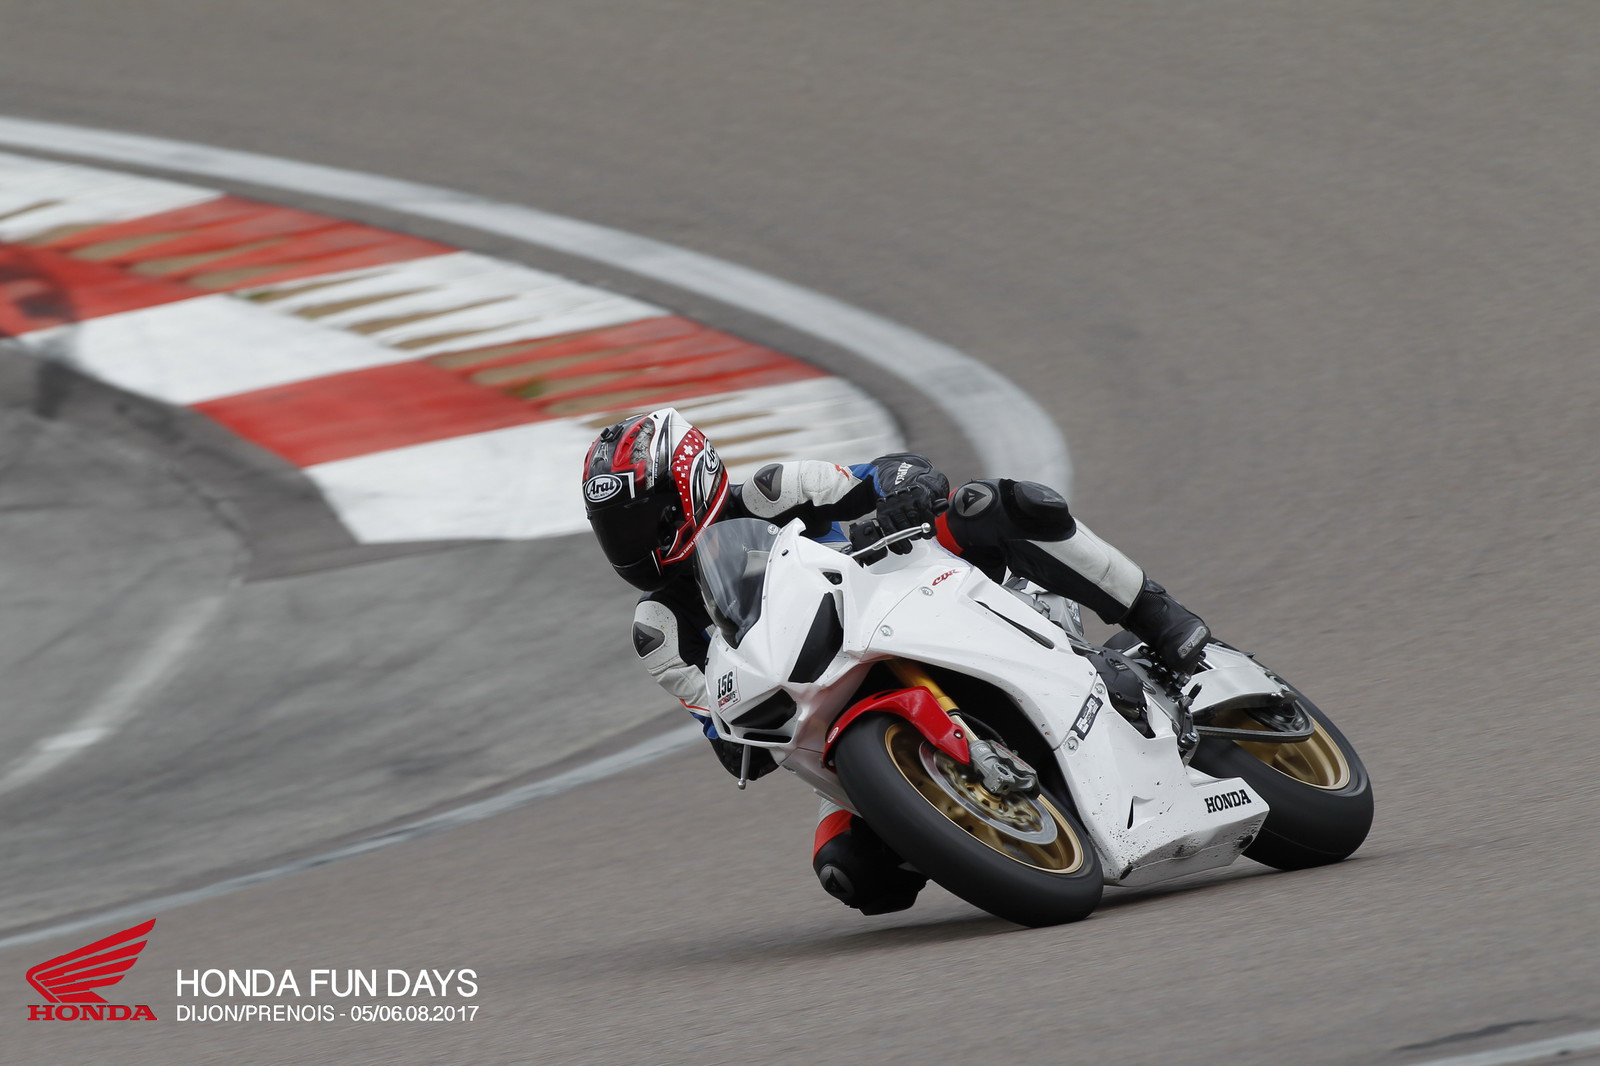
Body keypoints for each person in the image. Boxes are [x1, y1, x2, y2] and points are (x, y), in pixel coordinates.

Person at [582, 407, 1210, 915]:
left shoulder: (774, 492)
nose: (630, 545)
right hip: (831, 704)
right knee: (852, 872)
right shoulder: (659, 629)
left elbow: (893, 473)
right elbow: (725, 734)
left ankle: (1156, 614)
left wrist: (905, 491)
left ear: (689, 488)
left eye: (641, 521)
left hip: (909, 596)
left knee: (993, 504)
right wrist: (734, 728)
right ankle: (985, 822)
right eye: (613, 529)